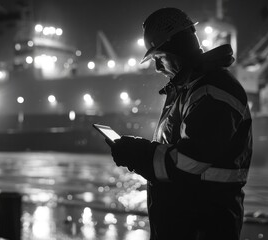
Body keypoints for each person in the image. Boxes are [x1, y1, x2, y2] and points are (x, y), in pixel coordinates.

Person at [106, 7, 252, 240]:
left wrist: (135, 153)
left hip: (204, 227)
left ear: (176, 49)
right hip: (190, 224)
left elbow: (189, 162)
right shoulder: (191, 89)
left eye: (159, 57)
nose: (157, 67)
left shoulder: (212, 92)